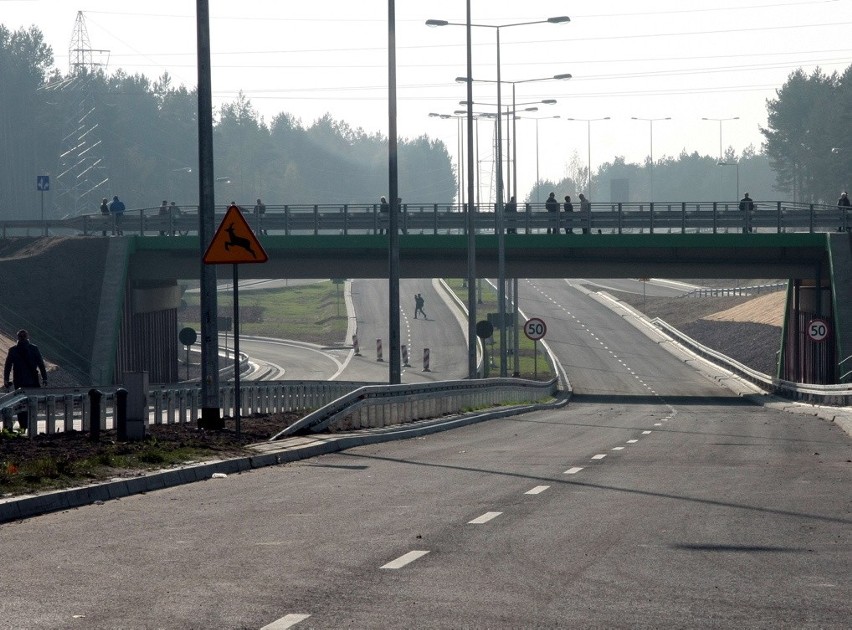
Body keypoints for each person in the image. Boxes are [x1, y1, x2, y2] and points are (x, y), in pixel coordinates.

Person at [4, 329, 47, 431]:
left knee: (20, 405)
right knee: (32, 404)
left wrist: (6, 379)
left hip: (19, 381)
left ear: (17, 337)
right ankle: (31, 424)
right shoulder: (33, 349)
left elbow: (8, 366)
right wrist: (44, 378)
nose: (22, 338)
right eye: (22, 336)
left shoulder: (13, 350)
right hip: (32, 381)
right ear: (28, 337)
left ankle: (23, 426)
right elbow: (41, 364)